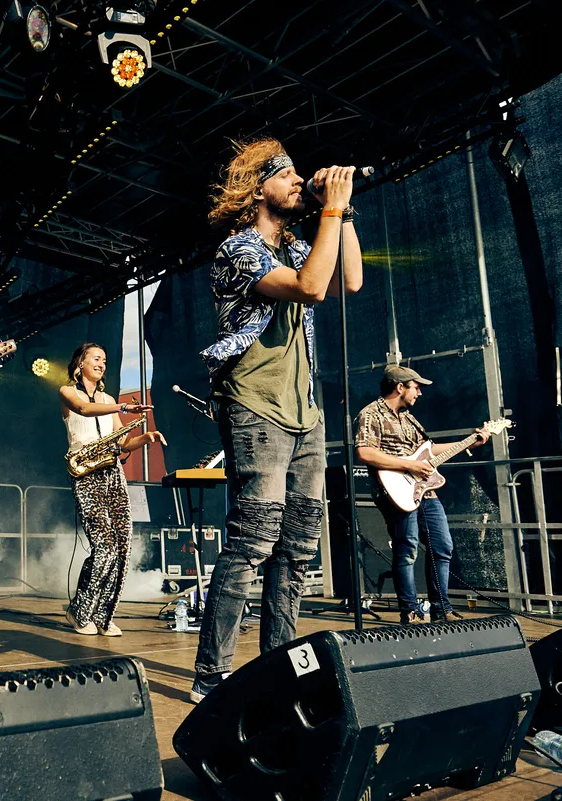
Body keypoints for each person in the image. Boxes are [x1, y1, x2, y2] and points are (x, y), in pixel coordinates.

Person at [191, 139, 363, 703]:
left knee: (298, 548)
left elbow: (347, 281)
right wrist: (329, 210)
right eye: (285, 174)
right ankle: (211, 676)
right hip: (255, 405)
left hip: (304, 413)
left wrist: (342, 210)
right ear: (257, 188)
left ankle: (278, 669)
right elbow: (310, 288)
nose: (297, 180)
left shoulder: (296, 248)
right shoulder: (239, 249)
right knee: (252, 543)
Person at [354, 365, 490, 624]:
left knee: (442, 546)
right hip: (395, 490)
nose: (419, 393)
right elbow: (365, 452)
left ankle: (441, 609)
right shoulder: (370, 414)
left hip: (424, 490)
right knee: (406, 549)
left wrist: (468, 442)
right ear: (400, 387)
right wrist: (409, 465)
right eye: (416, 387)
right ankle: (409, 611)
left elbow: (428, 450)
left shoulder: (409, 418)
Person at [59, 343, 163, 636]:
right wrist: (124, 407)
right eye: (96, 358)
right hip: (86, 473)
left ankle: (104, 616)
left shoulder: (108, 398)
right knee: (104, 547)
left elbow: (123, 443)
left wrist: (146, 438)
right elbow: (83, 409)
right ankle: (80, 612)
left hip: (112, 472)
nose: (102, 364)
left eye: (104, 360)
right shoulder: (68, 392)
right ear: (80, 363)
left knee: (122, 547)